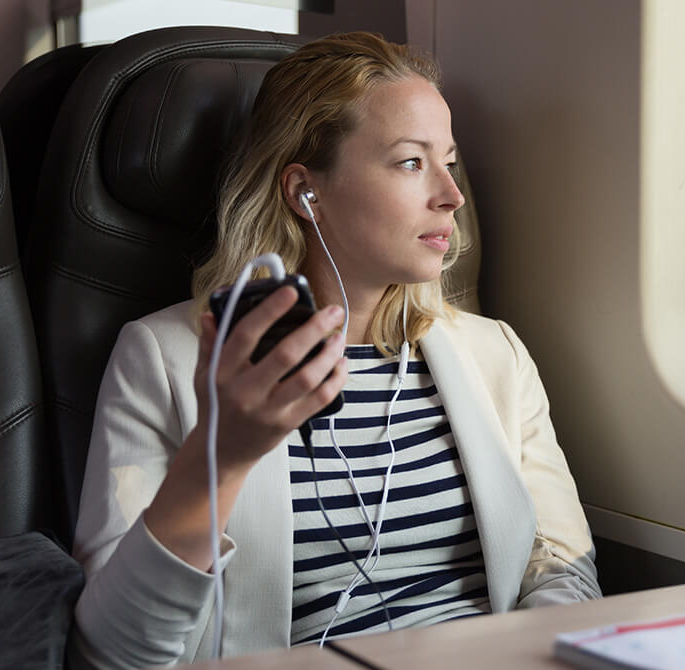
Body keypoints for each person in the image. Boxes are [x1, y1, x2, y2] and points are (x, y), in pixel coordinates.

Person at [70, 32, 600, 669]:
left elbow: (562, 572)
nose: (452, 195)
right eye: (411, 162)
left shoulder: (495, 356)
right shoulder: (163, 359)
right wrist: (223, 455)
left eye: (450, 162)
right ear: (305, 192)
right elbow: (112, 656)